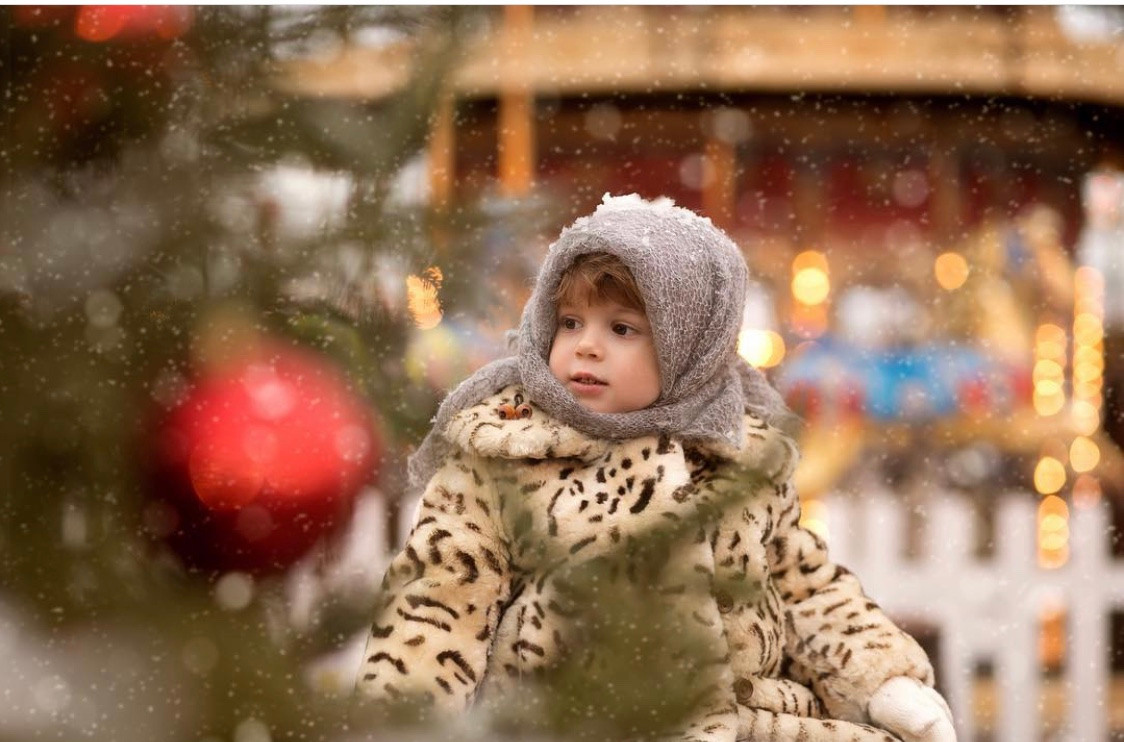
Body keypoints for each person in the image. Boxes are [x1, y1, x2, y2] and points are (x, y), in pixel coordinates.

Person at [356, 194, 956, 742]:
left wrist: (883, 680)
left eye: (621, 329)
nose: (587, 345)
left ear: (689, 345)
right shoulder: (506, 455)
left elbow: (806, 587)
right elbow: (438, 606)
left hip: (743, 721)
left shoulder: (739, 460)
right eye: (570, 322)